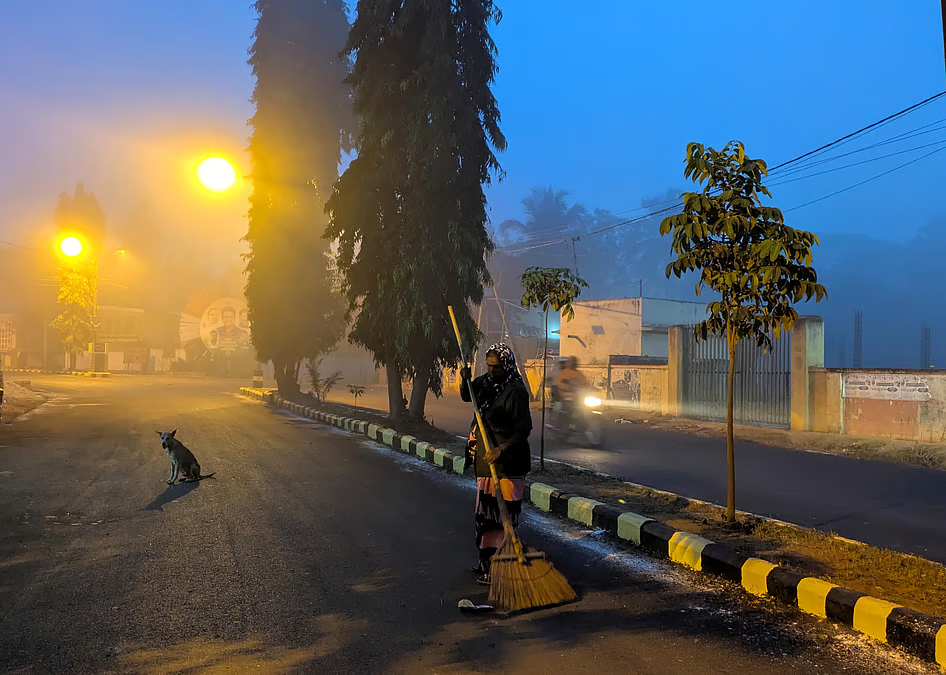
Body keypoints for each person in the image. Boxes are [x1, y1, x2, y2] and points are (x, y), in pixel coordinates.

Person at [459, 343, 533, 585]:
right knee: (485, 515)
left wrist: (501, 449)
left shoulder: (516, 391)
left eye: (497, 367)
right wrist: (465, 380)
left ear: (507, 365)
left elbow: (524, 430)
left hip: (509, 463)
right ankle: (486, 563)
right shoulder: (486, 383)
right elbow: (466, 395)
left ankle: (502, 566)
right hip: (485, 462)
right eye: (489, 366)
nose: (491, 371)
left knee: (505, 517)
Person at [554, 356, 587, 422]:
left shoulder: (579, 373)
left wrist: (593, 389)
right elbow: (559, 384)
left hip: (577, 397)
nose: (574, 363)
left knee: (586, 409)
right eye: (572, 362)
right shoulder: (563, 373)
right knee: (561, 407)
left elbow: (585, 383)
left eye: (575, 362)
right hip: (565, 396)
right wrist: (565, 387)